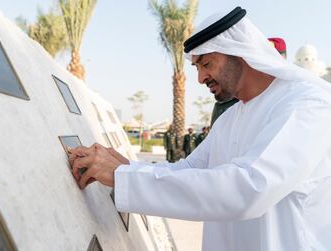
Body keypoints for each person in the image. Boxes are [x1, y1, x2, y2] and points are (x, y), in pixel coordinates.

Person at [69, 6, 331, 251]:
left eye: (207, 64)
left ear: (241, 53)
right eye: (197, 67)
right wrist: (126, 169)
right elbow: (189, 170)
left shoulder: (306, 103)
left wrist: (123, 177)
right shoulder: (231, 118)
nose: (201, 78)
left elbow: (250, 187)